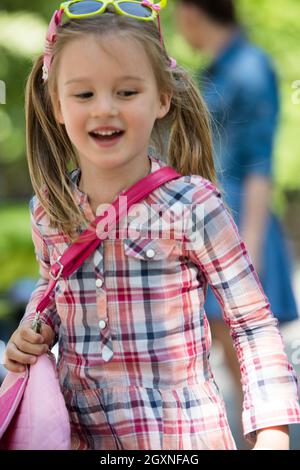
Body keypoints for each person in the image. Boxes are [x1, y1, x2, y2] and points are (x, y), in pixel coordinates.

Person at [3, 0, 300, 451]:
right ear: (58, 106)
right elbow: (51, 292)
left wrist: (274, 432)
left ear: (161, 99)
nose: (105, 108)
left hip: (177, 438)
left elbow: (253, 323)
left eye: (126, 92)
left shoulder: (194, 206)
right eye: (84, 94)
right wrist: (32, 329)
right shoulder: (49, 210)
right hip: (78, 434)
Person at [176, 0, 299, 423]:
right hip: (214, 225)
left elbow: (259, 165)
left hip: (244, 227)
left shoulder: (250, 67)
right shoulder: (213, 69)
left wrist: (250, 251)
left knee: (258, 364)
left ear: (191, 12)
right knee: (232, 363)